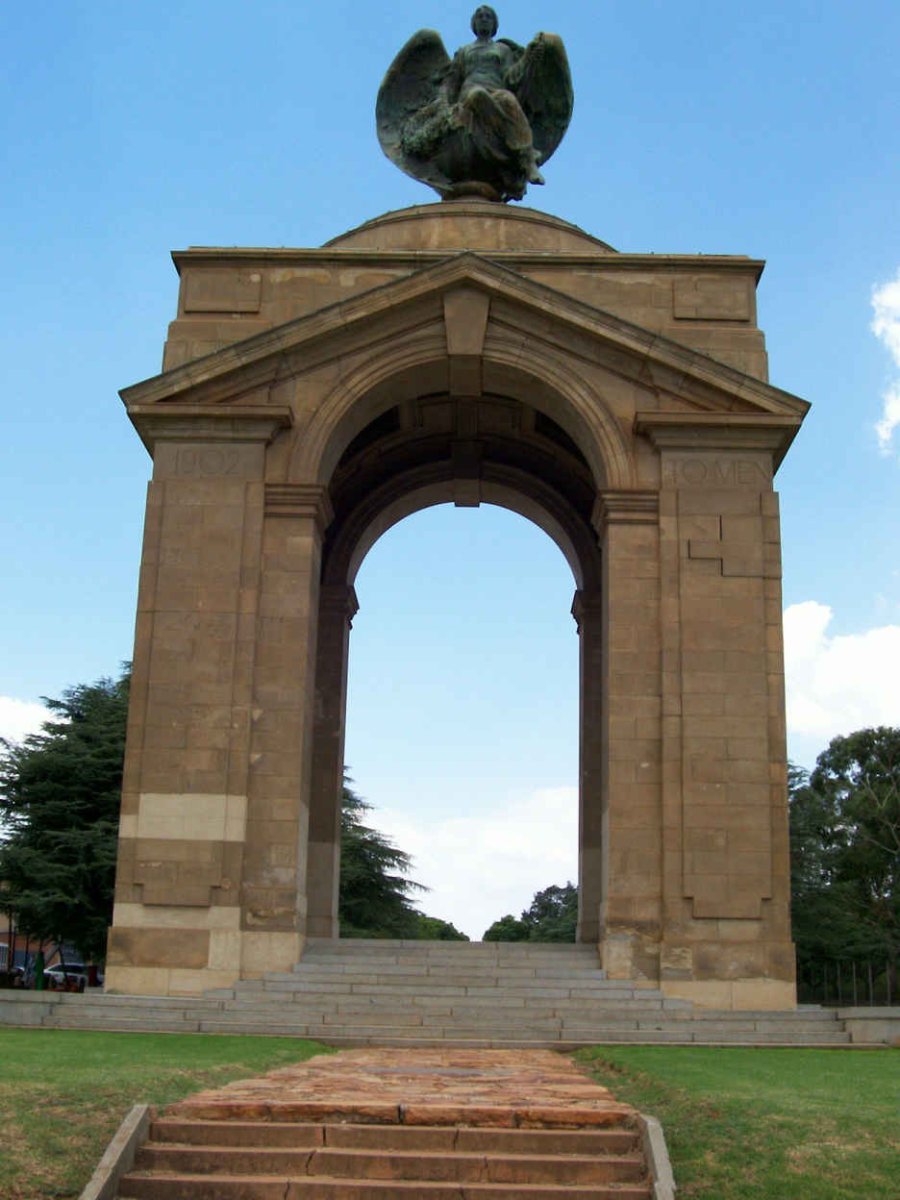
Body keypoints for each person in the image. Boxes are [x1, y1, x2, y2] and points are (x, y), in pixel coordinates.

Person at [444, 6, 545, 188]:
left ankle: (527, 158)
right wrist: (445, 106)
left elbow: (511, 77)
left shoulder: (502, 49)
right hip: (470, 92)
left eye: (488, 17)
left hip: (496, 91)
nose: (484, 19)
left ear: (494, 24)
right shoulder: (464, 51)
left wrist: (528, 59)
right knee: (478, 95)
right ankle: (516, 144)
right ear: (473, 23)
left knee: (508, 99)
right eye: (480, 16)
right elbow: (453, 82)